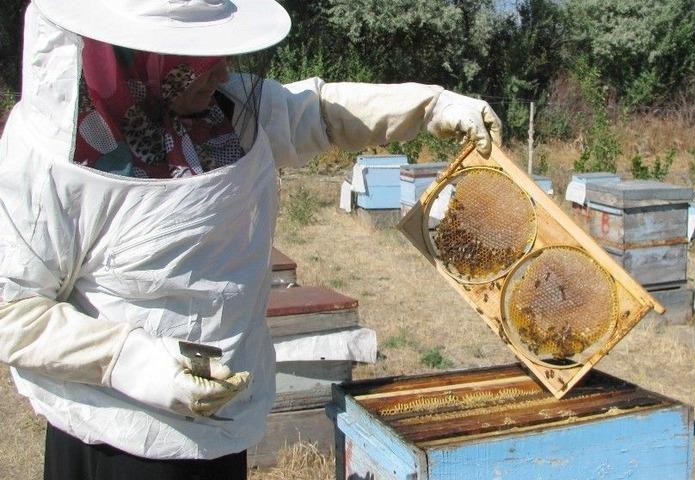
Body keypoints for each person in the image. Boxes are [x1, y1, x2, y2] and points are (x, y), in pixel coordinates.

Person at [0, 0, 502, 478]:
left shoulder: (229, 107)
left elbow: (319, 114)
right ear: (147, 57)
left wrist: (430, 105)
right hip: (114, 440)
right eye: (200, 59)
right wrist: (133, 363)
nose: (221, 72)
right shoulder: (48, 155)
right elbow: (12, 311)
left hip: (225, 421)